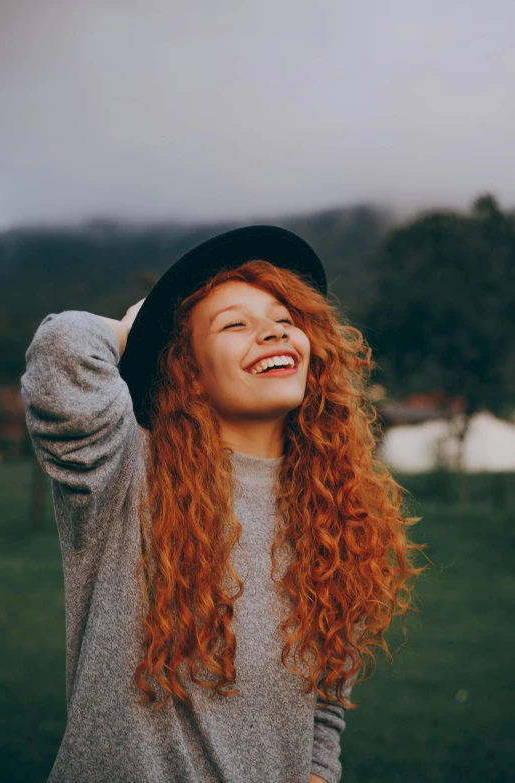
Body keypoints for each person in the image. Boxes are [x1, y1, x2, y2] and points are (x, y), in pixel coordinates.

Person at [21, 226, 425, 783]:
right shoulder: (126, 473)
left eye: (286, 321)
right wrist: (135, 330)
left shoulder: (336, 517)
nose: (272, 332)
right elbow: (60, 350)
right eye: (235, 324)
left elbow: (326, 702)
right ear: (189, 371)